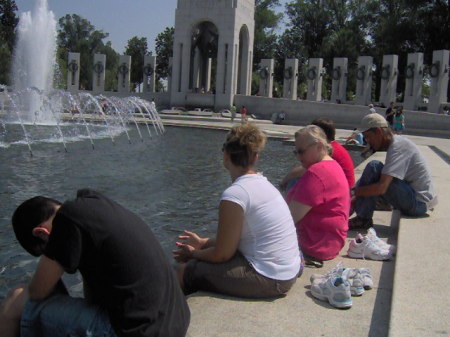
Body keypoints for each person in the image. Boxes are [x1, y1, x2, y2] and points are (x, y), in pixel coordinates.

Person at [0, 189, 190, 337]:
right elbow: (93, 298)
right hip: (174, 323)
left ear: (41, 233)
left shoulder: (67, 220)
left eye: (45, 251)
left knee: (16, 300)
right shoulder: (93, 204)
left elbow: (36, 292)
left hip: (138, 333)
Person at [173, 124, 302, 298]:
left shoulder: (235, 195)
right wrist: (203, 242)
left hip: (271, 278)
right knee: (200, 260)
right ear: (255, 157)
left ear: (225, 155)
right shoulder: (264, 184)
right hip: (288, 270)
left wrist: (192, 253)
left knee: (183, 270)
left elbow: (222, 254)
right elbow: (234, 242)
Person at [349, 113, 438, 230]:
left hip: (418, 204)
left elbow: (382, 187)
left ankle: (363, 218)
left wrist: (353, 193)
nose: (367, 141)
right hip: (415, 199)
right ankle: (374, 208)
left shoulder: (398, 147)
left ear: (379, 132)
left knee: (374, 167)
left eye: (368, 137)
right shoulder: (396, 144)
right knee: (375, 169)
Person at [286, 125, 350, 264]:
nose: (298, 156)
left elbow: (289, 218)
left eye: (301, 152)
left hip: (314, 244)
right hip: (330, 242)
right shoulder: (332, 165)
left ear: (319, 146)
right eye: (295, 152)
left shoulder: (317, 172)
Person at [280, 117, 355, 191]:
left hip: (342, 191)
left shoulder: (328, 151)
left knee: (294, 182)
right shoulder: (335, 147)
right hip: (344, 188)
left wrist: (287, 178)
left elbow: (308, 170)